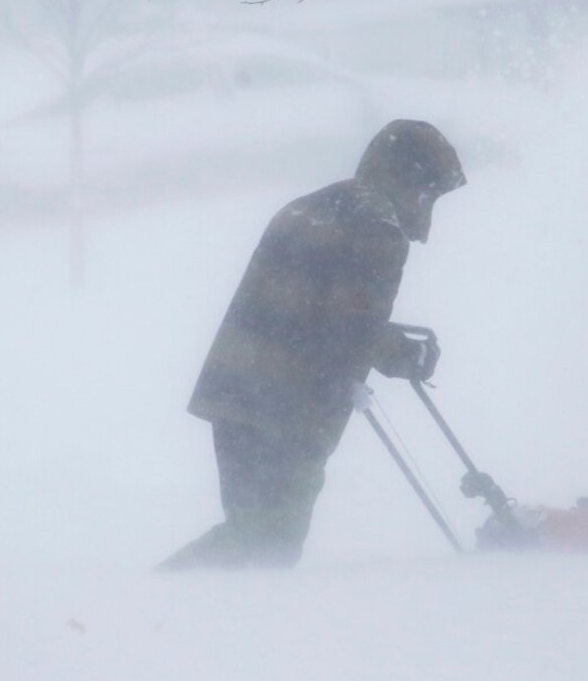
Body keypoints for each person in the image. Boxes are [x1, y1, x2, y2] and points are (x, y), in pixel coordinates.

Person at [159, 119, 466, 570]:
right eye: (430, 191)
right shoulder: (378, 227)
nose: (427, 207)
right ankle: (160, 599)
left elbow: (321, 310)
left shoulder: (311, 207)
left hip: (235, 390)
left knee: (251, 533)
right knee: (269, 544)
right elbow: (350, 328)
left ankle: (190, 613)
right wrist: (405, 355)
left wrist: (385, 343)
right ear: (411, 180)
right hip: (289, 406)